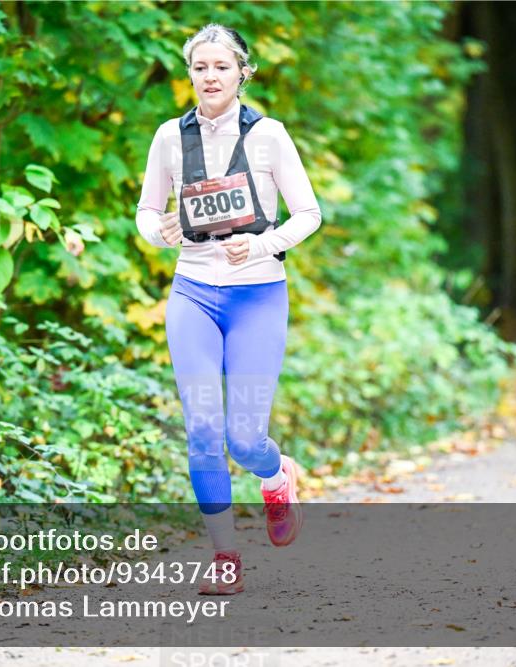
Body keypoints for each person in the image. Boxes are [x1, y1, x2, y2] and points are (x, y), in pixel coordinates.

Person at [136, 24, 322, 595]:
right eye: (200, 67)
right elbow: (146, 212)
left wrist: (263, 244)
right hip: (192, 292)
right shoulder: (170, 136)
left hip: (257, 294)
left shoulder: (270, 136)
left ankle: (275, 474)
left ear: (243, 71)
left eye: (221, 66)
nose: (210, 77)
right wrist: (161, 234)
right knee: (202, 432)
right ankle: (225, 559)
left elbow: (308, 214)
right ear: (189, 74)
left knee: (243, 438)